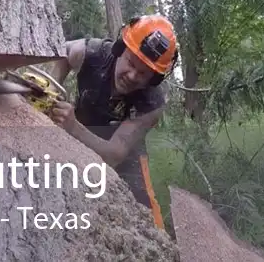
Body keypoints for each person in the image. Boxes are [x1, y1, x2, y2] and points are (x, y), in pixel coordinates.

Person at [47, 14, 179, 230]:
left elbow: (115, 154)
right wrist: (51, 89)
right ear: (119, 49)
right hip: (82, 128)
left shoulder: (152, 103)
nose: (133, 75)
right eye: (131, 62)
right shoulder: (93, 52)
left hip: (125, 152)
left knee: (146, 211)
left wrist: (72, 127)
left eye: (143, 73)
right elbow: (63, 52)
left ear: (154, 79)